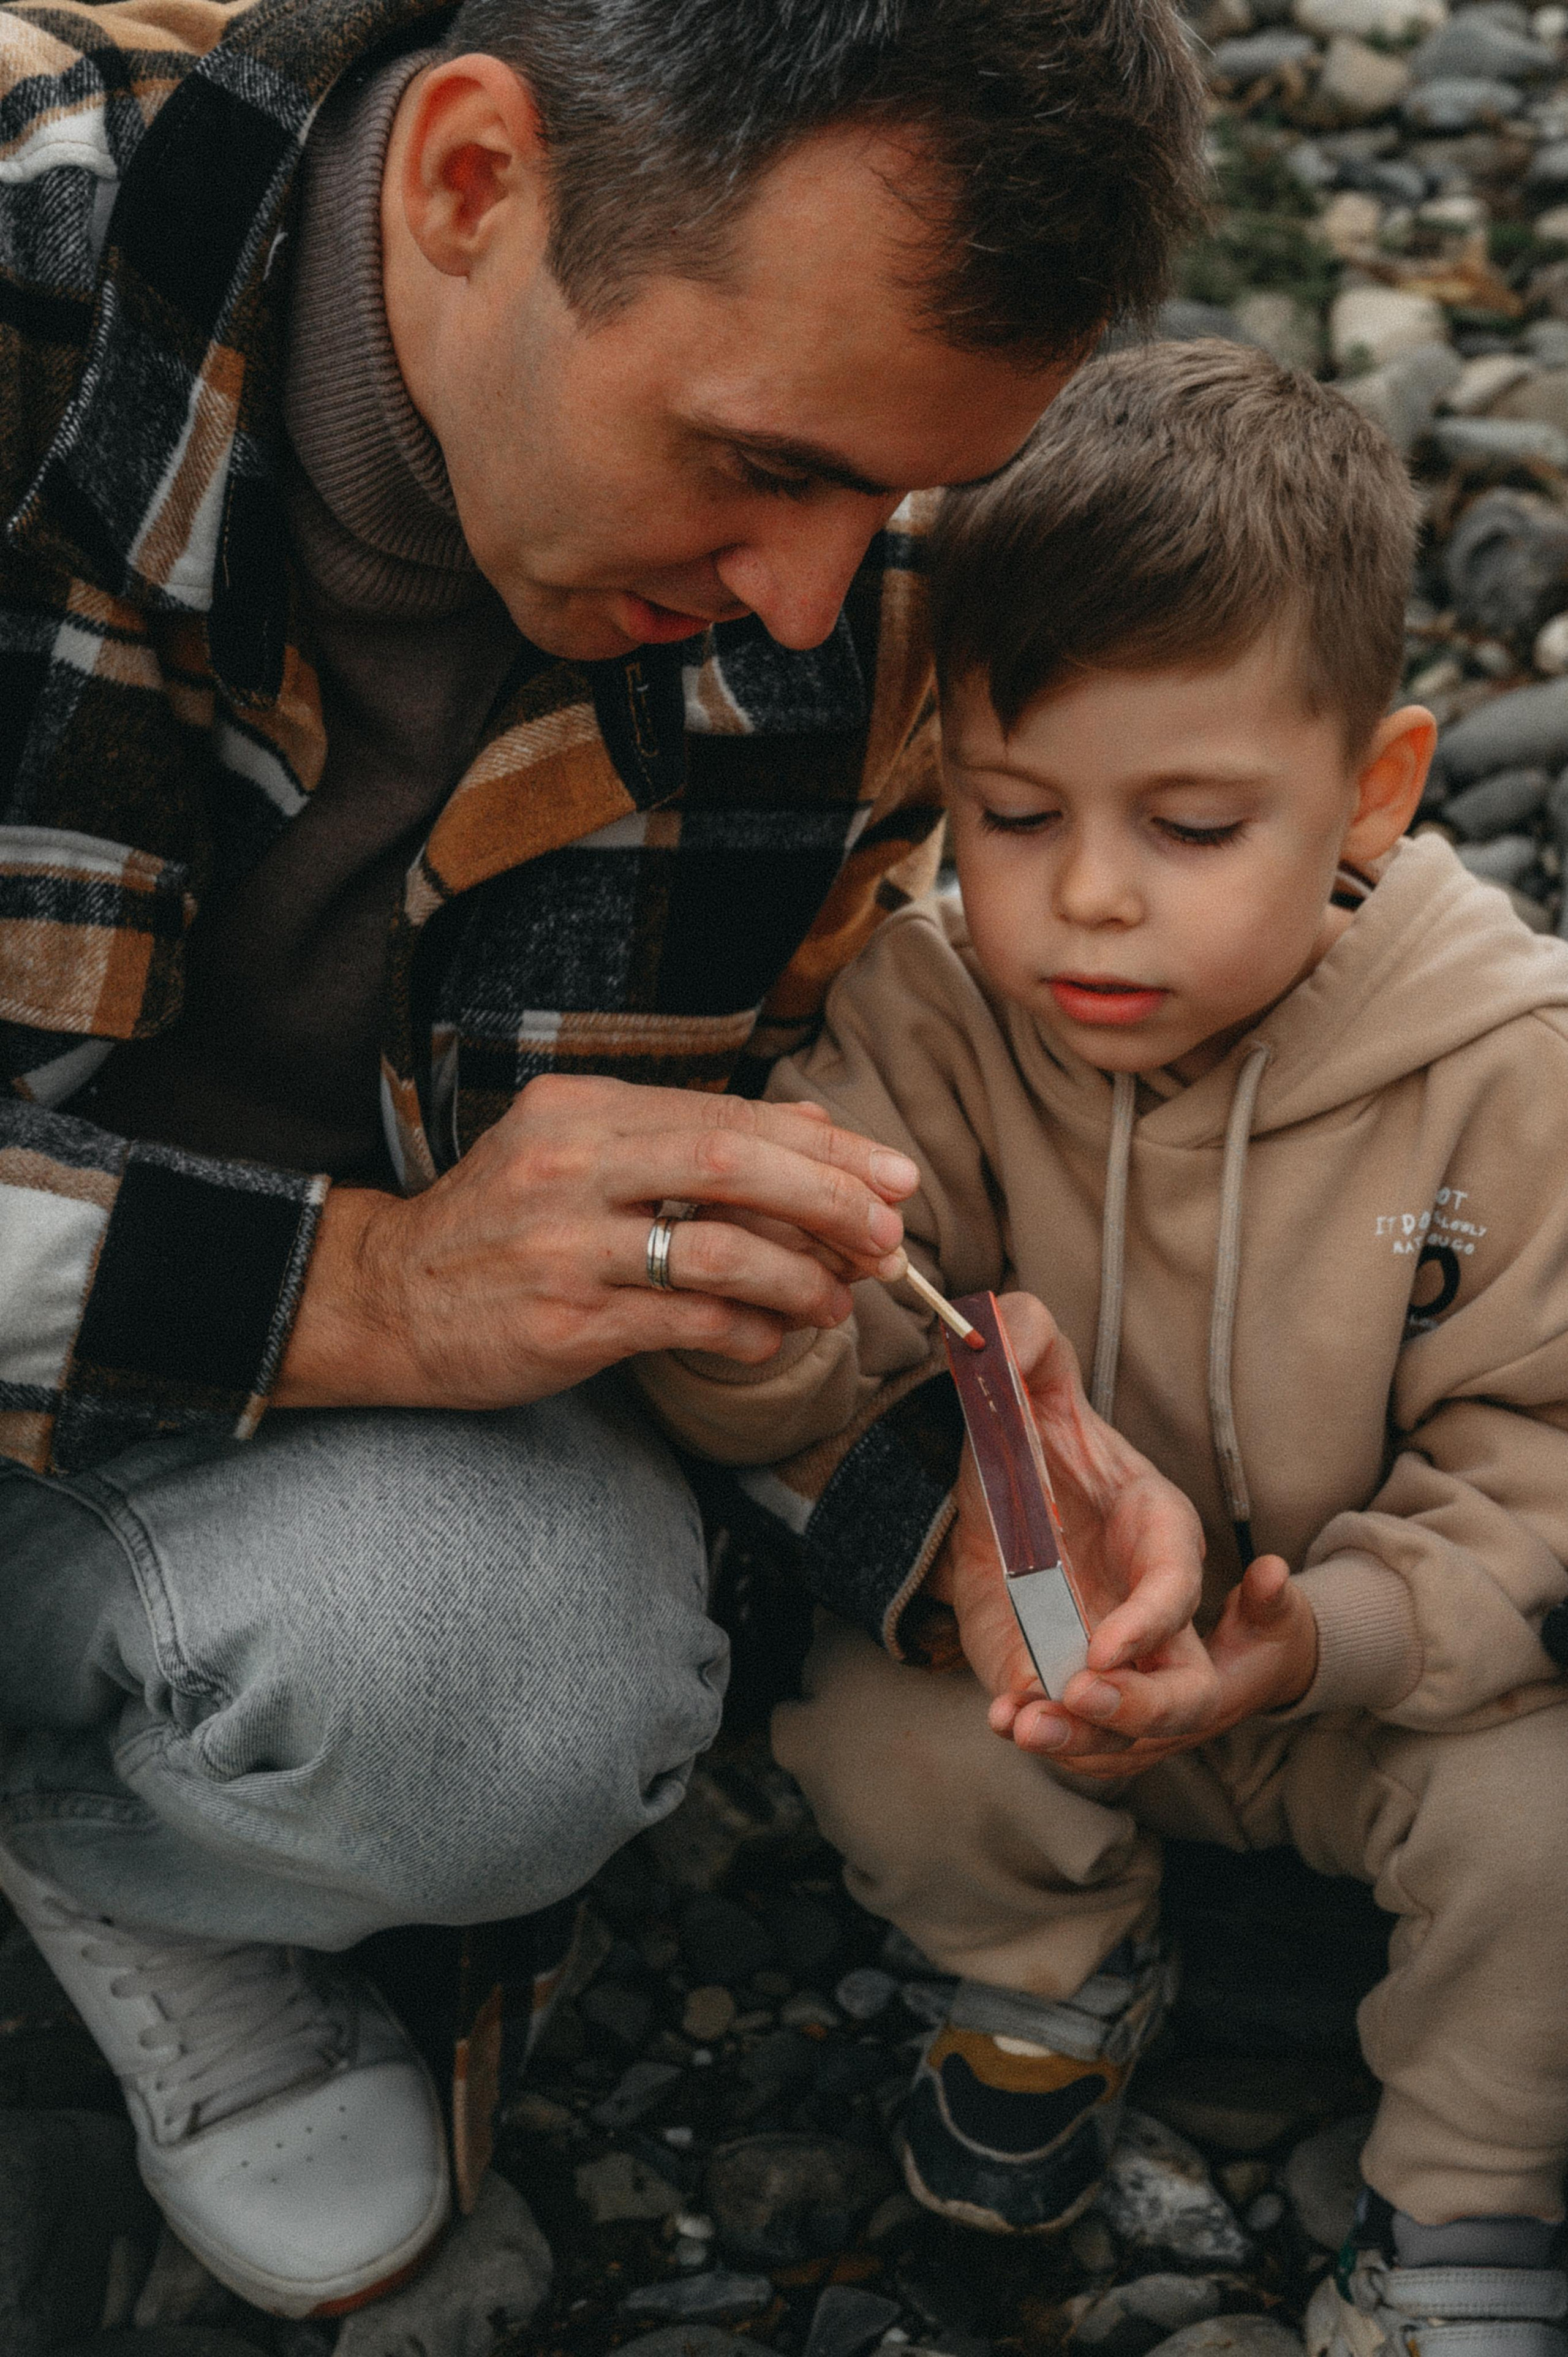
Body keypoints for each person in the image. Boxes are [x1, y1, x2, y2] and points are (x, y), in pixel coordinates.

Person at [0, 0, 1210, 2319]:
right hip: (255, 1346)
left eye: (888, 496)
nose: (805, 598)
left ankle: (93, 1832)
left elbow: (697, 1192)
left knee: (535, 1695)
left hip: (195, 1464)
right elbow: (440, 1286)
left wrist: (951, 1490)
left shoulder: (860, 584)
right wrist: (373, 1289)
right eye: (757, 462)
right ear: (473, 181)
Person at [638, 339, 1568, 2357]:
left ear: (1376, 791)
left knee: (1545, 1824)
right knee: (866, 1721)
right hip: (1043, 1662)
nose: (1090, 900)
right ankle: (1049, 1968)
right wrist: (754, 1304)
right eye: (1014, 809)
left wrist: (1324, 1635)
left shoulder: (1510, 1073)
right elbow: (794, 1391)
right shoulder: (932, 1015)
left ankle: (1464, 2199)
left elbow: (1542, 1452)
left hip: (1370, 1686)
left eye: (1197, 823)